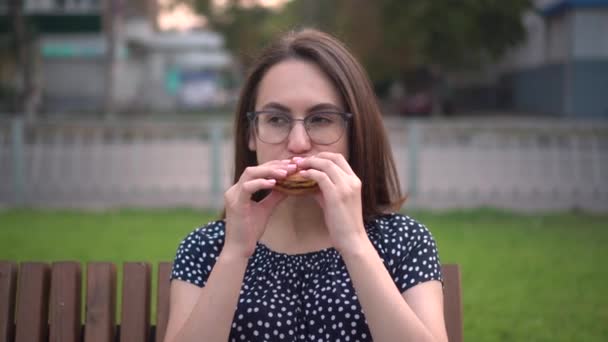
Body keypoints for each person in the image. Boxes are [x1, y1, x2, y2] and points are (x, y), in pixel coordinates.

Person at [164, 28, 448, 342]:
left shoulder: (404, 242)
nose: (298, 144)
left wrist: (354, 243)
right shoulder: (205, 249)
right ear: (250, 133)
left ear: (354, 134)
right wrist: (235, 252)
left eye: (321, 119)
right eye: (276, 119)